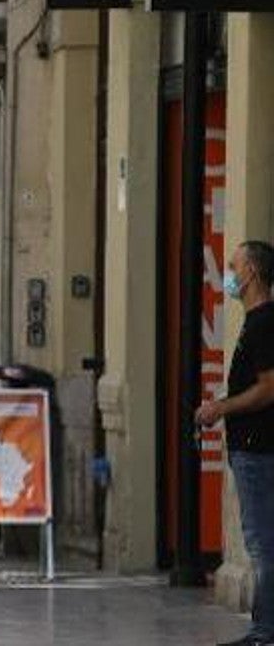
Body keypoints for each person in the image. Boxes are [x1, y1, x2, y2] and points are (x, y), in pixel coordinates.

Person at [197, 240, 274, 646]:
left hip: (257, 448)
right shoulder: (256, 321)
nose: (228, 273)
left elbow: (267, 389)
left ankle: (264, 631)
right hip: (253, 446)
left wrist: (221, 408)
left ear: (253, 274)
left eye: (234, 266)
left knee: (262, 541)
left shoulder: (263, 323)